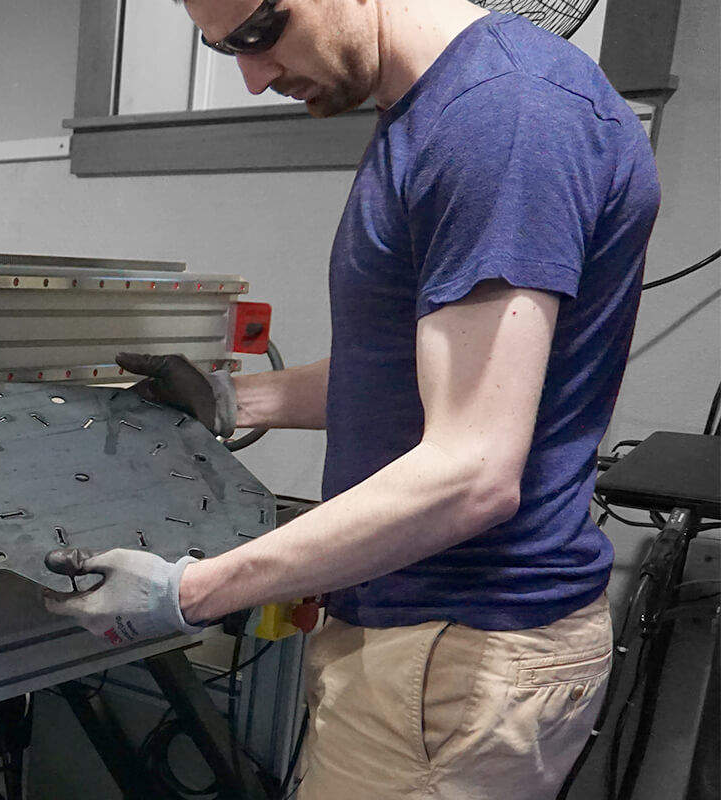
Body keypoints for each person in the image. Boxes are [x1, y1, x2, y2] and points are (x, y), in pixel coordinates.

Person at [39, 0, 660, 796]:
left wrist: (186, 592)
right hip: (422, 634)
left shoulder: (502, 116)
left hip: (456, 647)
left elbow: (471, 473)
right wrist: (232, 400)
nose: (255, 78)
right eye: (221, 47)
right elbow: (417, 373)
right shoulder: (438, 105)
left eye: (261, 34)